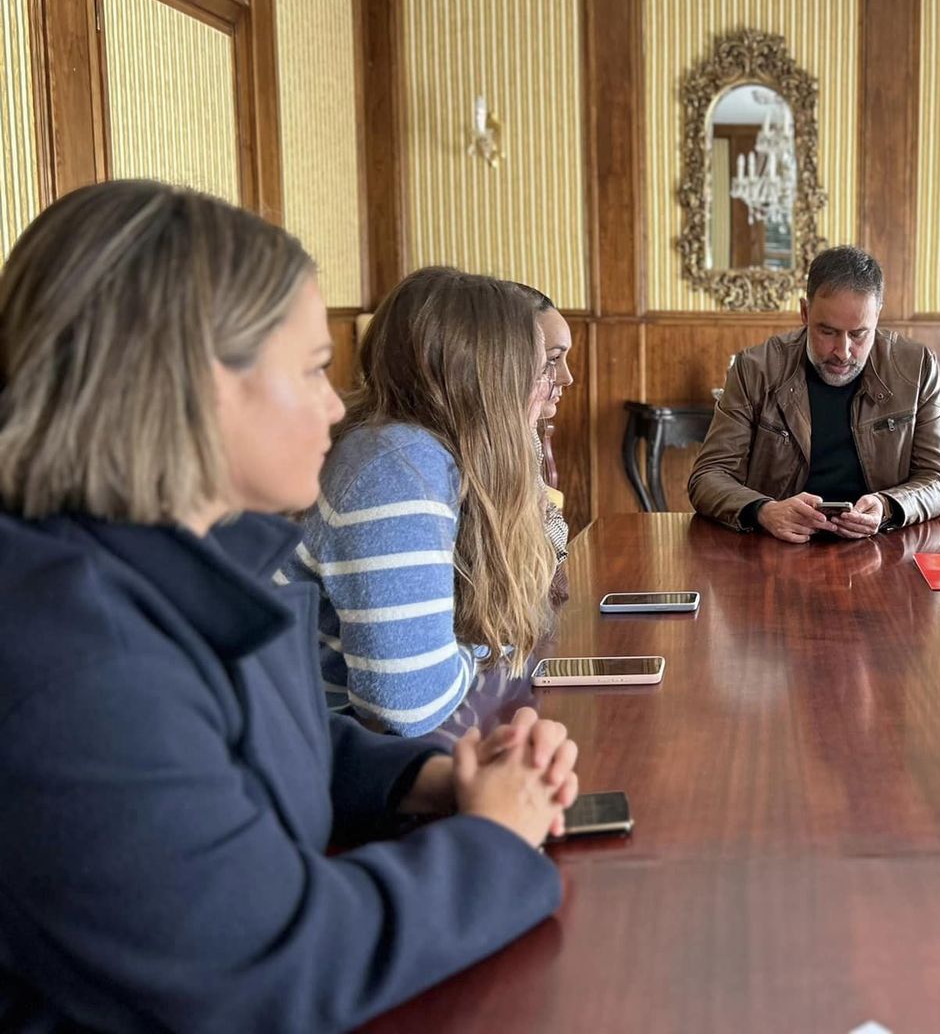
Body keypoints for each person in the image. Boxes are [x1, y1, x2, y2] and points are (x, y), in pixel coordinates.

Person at [0, 181, 578, 1031]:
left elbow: (264, 742)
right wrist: (493, 842)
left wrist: (432, 783)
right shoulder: (73, 658)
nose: (337, 405)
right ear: (190, 385)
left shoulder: (194, 549)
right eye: (312, 370)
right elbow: (268, 968)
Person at [285, 267, 561, 736]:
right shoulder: (398, 464)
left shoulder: (428, 451)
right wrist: (478, 646)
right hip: (317, 765)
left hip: (339, 751)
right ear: (489, 378)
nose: (547, 387)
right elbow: (405, 705)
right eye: (539, 370)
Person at [688, 246, 940, 542]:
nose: (843, 352)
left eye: (858, 334)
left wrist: (887, 505)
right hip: (778, 548)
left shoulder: (917, 366)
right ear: (805, 312)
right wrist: (764, 510)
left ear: (878, 316)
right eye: (827, 332)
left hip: (880, 544)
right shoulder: (754, 369)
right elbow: (707, 477)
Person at [525, 285, 575, 566]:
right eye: (553, 359)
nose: (567, 377)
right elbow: (536, 556)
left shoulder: (526, 432)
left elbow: (553, 533)